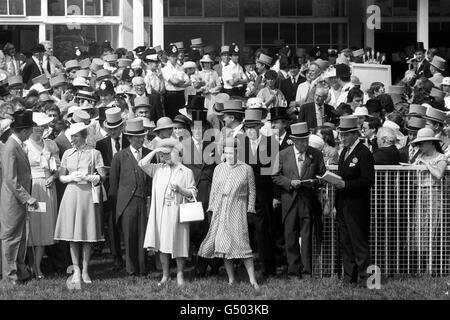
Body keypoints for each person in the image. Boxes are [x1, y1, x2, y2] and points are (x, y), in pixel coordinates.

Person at [198, 138, 259, 290]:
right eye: (227, 152)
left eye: (233, 152)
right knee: (223, 245)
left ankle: (253, 280)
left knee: (242, 243)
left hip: (237, 207)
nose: (230, 155)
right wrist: (211, 208)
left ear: (238, 152)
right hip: (220, 208)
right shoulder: (218, 168)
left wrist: (250, 208)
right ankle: (231, 279)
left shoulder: (246, 169)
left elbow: (252, 191)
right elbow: (213, 191)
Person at [139, 138, 197, 286]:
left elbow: (193, 193)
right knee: (163, 244)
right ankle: (165, 275)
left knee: (180, 243)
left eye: (168, 154)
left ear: (176, 153)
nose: (165, 157)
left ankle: (179, 274)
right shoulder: (158, 169)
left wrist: (180, 189)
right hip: (162, 212)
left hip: (178, 212)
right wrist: (156, 150)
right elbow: (142, 163)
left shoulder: (186, 171)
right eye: (163, 155)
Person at [54, 122, 106, 284]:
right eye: (71, 136)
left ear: (83, 136)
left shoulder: (94, 153)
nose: (72, 139)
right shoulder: (67, 153)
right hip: (71, 194)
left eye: (75, 136)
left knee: (86, 234)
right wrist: (69, 178)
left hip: (87, 195)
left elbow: (103, 175)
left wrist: (89, 177)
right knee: (72, 236)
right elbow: (61, 176)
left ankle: (85, 271)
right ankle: (76, 270)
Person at [273, 122, 326, 278]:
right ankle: (293, 271)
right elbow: (274, 175)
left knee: (307, 236)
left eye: (306, 140)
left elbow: (322, 176)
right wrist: (289, 183)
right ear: (293, 140)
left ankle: (307, 271)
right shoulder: (283, 154)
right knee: (290, 236)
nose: (304, 144)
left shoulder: (316, 154)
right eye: (301, 141)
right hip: (289, 200)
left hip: (307, 201)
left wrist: (314, 182)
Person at [333, 115, 375, 288]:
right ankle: (349, 277)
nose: (342, 139)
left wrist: (346, 185)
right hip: (344, 205)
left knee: (359, 243)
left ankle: (369, 280)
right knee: (346, 242)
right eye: (341, 135)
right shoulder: (344, 151)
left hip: (357, 206)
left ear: (354, 134)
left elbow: (368, 181)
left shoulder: (363, 153)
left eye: (345, 135)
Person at [109, 118, 151, 276]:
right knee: (130, 235)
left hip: (145, 201)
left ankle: (143, 268)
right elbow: (114, 184)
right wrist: (116, 207)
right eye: (137, 137)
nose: (141, 139)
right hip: (127, 203)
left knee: (144, 236)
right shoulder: (120, 156)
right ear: (129, 138)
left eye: (143, 136)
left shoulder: (149, 154)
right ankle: (131, 269)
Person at [0, 110, 38, 283]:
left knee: (20, 237)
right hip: (12, 201)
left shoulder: (15, 145)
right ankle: (10, 275)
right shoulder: (10, 147)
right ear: (23, 130)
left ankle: (21, 272)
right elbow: (10, 179)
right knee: (11, 238)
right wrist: (27, 197)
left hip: (17, 201)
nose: (31, 132)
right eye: (30, 129)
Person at [24, 113, 60, 279]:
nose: (39, 129)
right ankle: (31, 266)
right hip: (32, 189)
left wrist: (53, 177)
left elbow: (59, 167)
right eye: (36, 126)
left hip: (47, 189)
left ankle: (37, 267)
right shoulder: (24, 146)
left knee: (44, 229)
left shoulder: (51, 144)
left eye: (42, 126)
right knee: (33, 227)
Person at [243, 109, 277, 278]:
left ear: (259, 127)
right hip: (245, 193)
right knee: (244, 230)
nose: (250, 130)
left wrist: (275, 195)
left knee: (264, 230)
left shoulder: (270, 143)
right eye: (247, 127)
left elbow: (274, 171)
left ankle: (268, 267)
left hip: (264, 193)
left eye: (253, 127)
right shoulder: (241, 143)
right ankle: (244, 266)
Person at [95, 107, 130, 271]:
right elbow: (99, 168)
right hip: (109, 188)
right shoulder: (100, 144)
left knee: (129, 223)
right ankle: (116, 258)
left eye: (116, 128)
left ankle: (131, 257)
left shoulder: (130, 140)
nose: (114, 131)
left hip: (128, 186)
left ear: (122, 127)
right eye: (110, 129)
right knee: (111, 223)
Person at [410, 128, 448, 272]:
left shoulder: (441, 157)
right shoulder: (419, 158)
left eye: (422, 143)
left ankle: (430, 268)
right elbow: (413, 181)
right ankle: (420, 267)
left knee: (432, 229)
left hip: (434, 193)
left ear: (431, 142)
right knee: (419, 229)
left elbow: (438, 175)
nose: (420, 147)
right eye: (418, 144)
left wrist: (426, 164)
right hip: (420, 193)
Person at [161, 44, 190, 120]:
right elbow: (174, 82)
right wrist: (183, 83)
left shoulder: (180, 68)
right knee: (172, 118)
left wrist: (180, 83)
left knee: (181, 119)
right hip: (171, 96)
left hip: (181, 95)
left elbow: (188, 81)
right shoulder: (165, 69)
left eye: (176, 55)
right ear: (167, 56)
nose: (175, 58)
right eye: (172, 56)